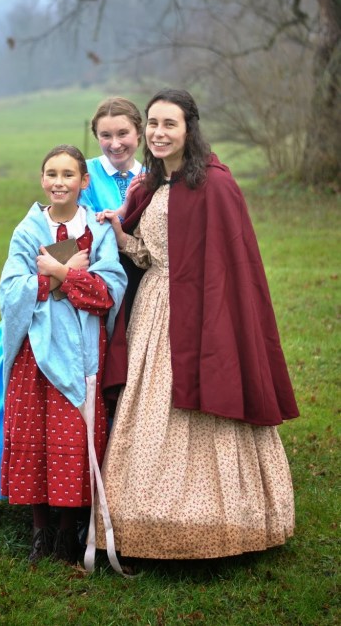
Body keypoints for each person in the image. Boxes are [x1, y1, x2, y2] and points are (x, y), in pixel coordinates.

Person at [95, 89, 299, 562]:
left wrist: (212, 316)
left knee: (203, 404)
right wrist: (121, 231)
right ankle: (142, 520)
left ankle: (222, 520)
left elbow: (231, 263)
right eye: (153, 124)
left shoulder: (214, 183)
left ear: (190, 128)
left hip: (204, 311)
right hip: (156, 308)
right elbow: (148, 256)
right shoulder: (147, 186)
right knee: (150, 411)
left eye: (170, 124)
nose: (159, 133)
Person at [0, 97, 143, 501]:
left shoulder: (150, 176)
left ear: (138, 134)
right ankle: (41, 497)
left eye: (123, 133)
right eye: (105, 135)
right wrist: (60, 276)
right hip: (59, 311)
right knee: (33, 403)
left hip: (128, 288)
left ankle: (121, 483)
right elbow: (55, 238)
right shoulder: (81, 173)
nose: (114, 142)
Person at [0, 145, 127, 563]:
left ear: (83, 182)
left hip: (84, 351)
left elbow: (106, 291)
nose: (59, 182)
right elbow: (11, 291)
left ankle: (69, 531)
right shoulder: (27, 231)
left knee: (75, 433)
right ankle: (40, 530)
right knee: (35, 432)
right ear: (41, 180)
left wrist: (55, 273)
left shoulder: (98, 231)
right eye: (51, 174)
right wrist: (66, 277)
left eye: (68, 174)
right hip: (36, 352)